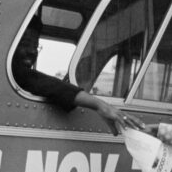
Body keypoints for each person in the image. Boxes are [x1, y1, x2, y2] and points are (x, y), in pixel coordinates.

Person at [12, 16, 142, 135]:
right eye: (24, 44)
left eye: (35, 46)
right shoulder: (17, 74)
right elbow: (39, 81)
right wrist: (99, 105)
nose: (32, 51)